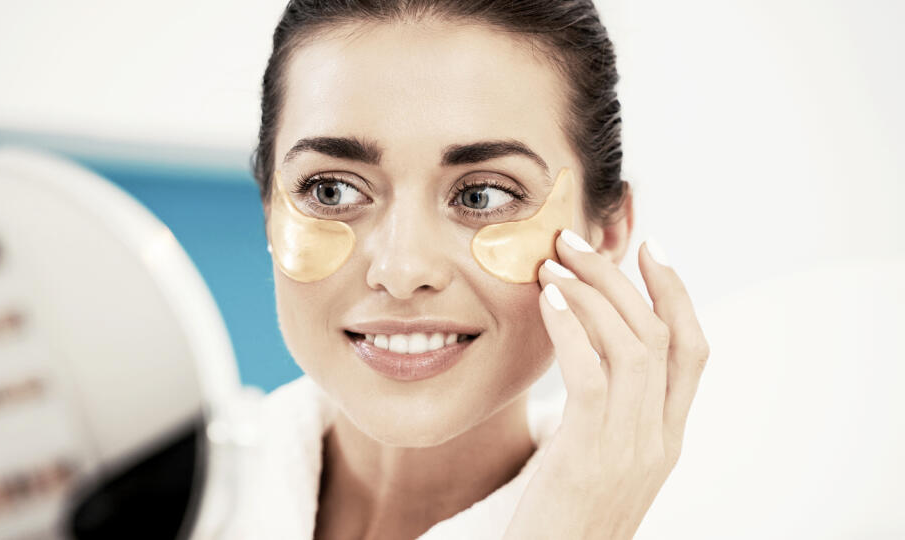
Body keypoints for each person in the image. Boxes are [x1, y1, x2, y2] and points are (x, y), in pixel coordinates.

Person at [202, 1, 710, 538]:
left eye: (482, 195)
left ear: (605, 235)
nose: (401, 271)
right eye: (332, 190)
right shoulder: (140, 489)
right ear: (268, 210)